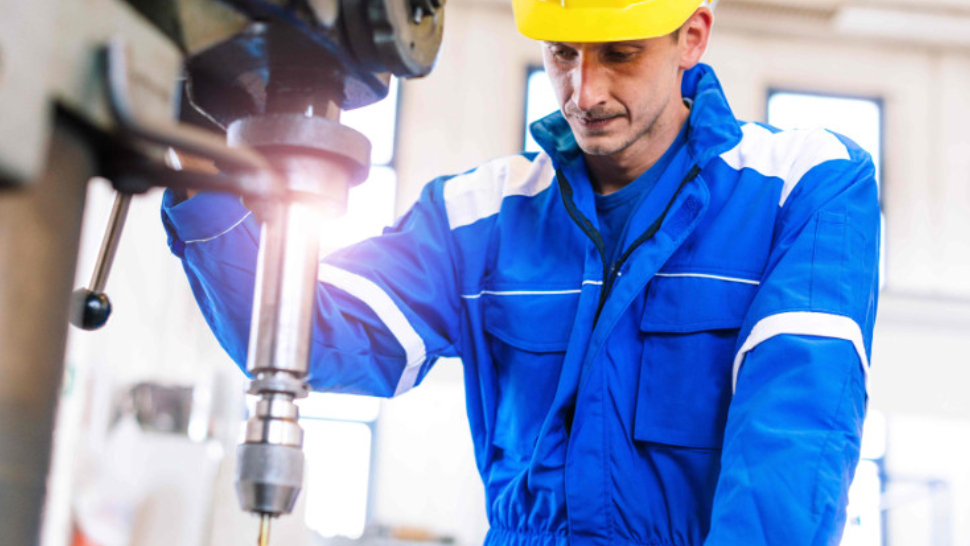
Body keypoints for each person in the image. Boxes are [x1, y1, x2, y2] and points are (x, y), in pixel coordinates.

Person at [161, 0, 881, 543]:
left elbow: (797, 423)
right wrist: (200, 165)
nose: (584, 92)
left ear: (691, 37)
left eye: (619, 54)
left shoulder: (802, 184)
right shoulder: (479, 215)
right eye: (563, 53)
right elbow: (312, 337)